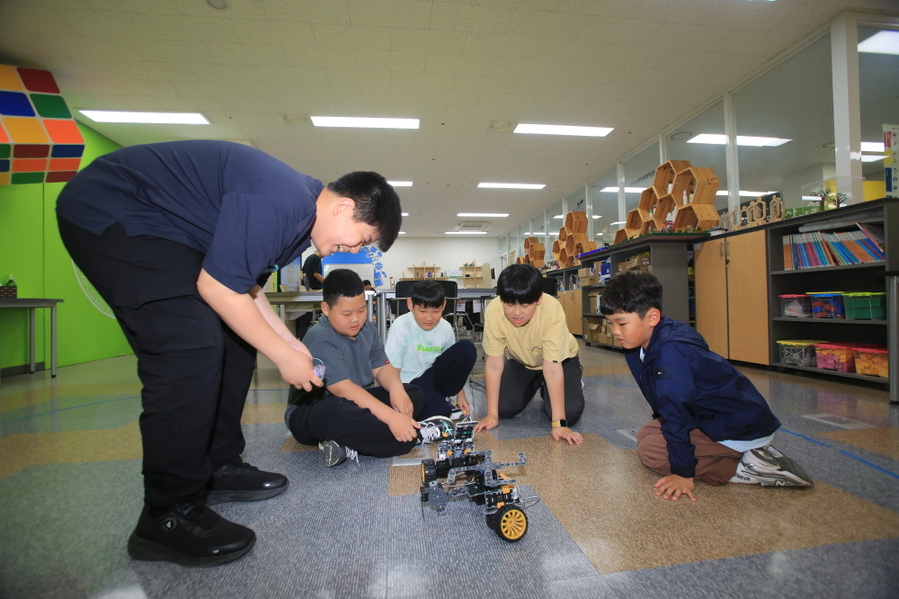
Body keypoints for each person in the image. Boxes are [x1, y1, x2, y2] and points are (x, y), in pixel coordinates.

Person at [55, 140, 402, 567]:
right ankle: (168, 513)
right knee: (188, 346)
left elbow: (245, 288)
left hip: (167, 232)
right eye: (359, 241)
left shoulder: (296, 222)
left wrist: (289, 344)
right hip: (114, 212)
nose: (350, 252)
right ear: (344, 207)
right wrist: (283, 355)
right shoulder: (283, 201)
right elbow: (217, 287)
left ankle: (216, 465)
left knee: (236, 344)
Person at [599, 270, 813, 502]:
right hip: (713, 416)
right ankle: (746, 454)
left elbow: (676, 412)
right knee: (646, 434)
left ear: (652, 317)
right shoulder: (646, 339)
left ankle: (747, 467)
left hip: (738, 427)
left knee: (652, 454)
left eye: (621, 323)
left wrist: (683, 472)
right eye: (610, 323)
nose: (614, 331)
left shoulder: (671, 353)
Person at [285, 269, 449, 468]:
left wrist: (397, 389)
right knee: (336, 410)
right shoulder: (320, 337)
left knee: (414, 393)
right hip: (313, 409)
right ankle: (415, 433)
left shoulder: (367, 329)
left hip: (358, 400)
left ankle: (347, 445)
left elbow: (382, 368)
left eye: (361, 310)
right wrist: (390, 417)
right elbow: (342, 389)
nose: (356, 319)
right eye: (347, 313)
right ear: (326, 309)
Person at [474, 264, 584, 444]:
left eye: (525, 305)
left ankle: (573, 378)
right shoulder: (494, 310)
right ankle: (538, 383)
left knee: (568, 414)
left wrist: (559, 424)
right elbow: (494, 364)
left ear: (538, 299)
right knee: (503, 409)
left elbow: (553, 369)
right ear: (502, 299)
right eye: (509, 304)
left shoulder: (552, 309)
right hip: (521, 361)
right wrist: (491, 415)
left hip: (560, 362)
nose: (517, 312)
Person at [385, 281, 476, 419]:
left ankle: (441, 400)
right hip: (409, 383)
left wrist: (460, 394)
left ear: (443, 305)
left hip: (433, 377)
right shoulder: (401, 326)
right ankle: (438, 402)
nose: (429, 317)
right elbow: (391, 369)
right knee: (440, 412)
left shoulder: (445, 327)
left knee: (467, 348)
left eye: (436, 311)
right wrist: (398, 395)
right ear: (410, 304)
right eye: (422, 311)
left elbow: (452, 365)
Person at [296, 249, 323, 339]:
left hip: (308, 290)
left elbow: (304, 274)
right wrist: (329, 283)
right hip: (315, 291)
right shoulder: (316, 258)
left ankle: (304, 338)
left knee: (306, 318)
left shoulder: (309, 258)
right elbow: (316, 274)